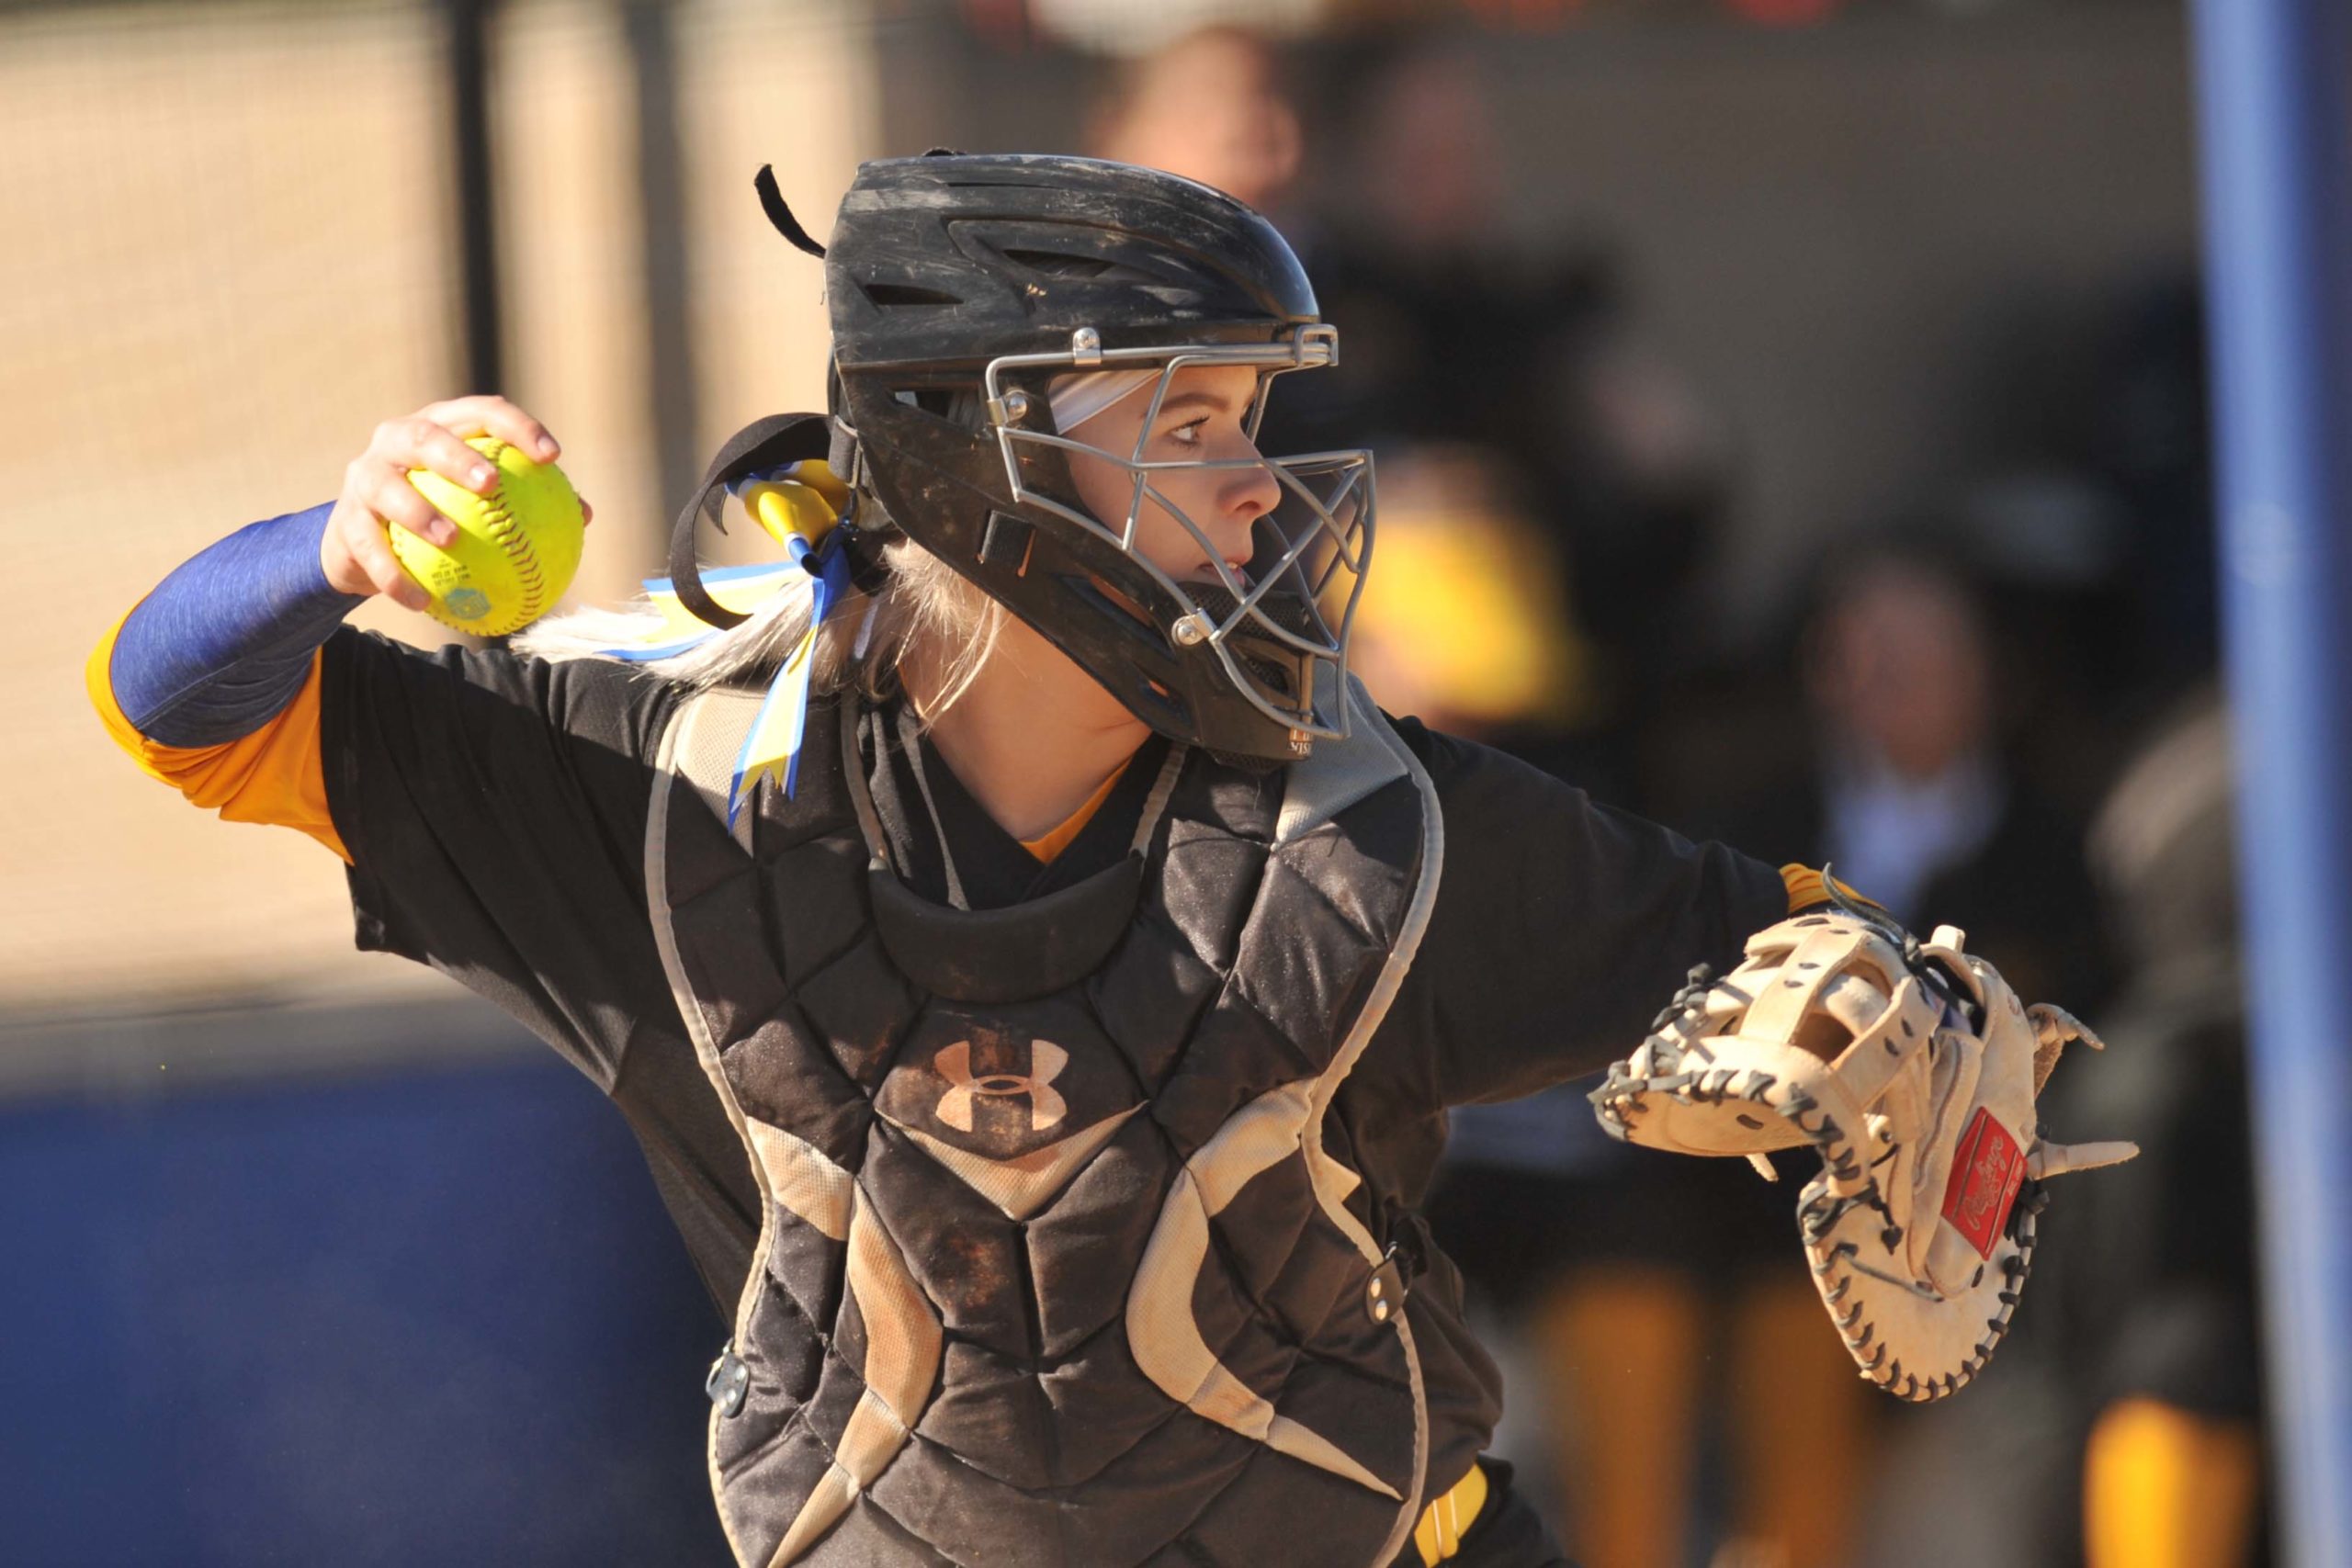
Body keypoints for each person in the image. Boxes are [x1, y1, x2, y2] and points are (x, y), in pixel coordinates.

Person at [96, 153, 1880, 1568]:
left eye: (1250, 426)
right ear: (977, 456)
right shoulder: (672, 782)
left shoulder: (1366, 814)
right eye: (1185, 428)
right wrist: (327, 547)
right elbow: (176, 705)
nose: (1259, 491)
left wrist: (1906, 1012)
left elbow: (1808, 951)